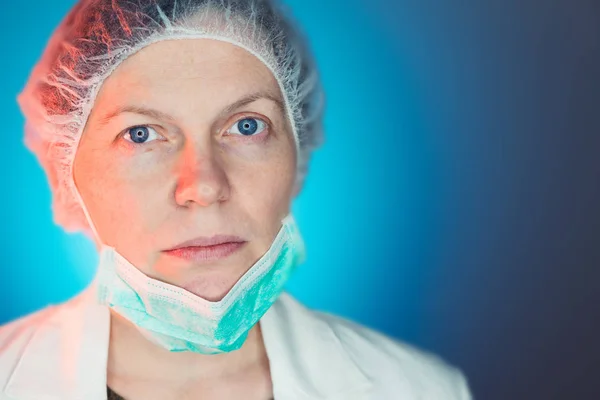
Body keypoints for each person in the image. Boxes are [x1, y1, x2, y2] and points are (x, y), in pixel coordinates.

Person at [0, 0, 472, 399]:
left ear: (296, 146)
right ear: (67, 167)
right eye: (140, 134)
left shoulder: (419, 388)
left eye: (247, 125)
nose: (204, 186)